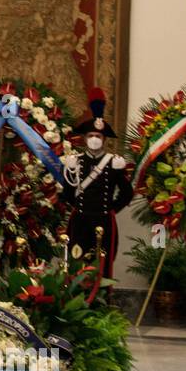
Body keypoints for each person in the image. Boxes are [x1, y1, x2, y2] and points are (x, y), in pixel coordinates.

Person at [62, 87, 133, 275]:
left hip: (104, 221)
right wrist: (77, 205)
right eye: (91, 136)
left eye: (98, 136)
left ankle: (102, 302)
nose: (94, 139)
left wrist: (111, 209)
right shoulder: (75, 161)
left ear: (104, 139)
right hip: (80, 221)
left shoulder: (113, 162)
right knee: (76, 265)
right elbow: (67, 194)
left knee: (103, 267)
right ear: (85, 138)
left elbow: (127, 193)